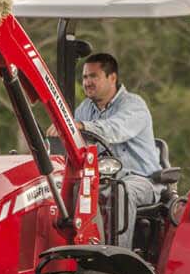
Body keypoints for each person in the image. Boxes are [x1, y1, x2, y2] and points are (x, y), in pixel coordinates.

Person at [50, 52, 161, 249]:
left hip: (140, 179)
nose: (87, 82)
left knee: (119, 191)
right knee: (66, 190)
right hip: (100, 178)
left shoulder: (134, 106)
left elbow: (113, 130)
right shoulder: (85, 109)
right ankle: (74, 249)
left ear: (112, 78)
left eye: (94, 76)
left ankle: (118, 256)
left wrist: (81, 126)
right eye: (85, 77)